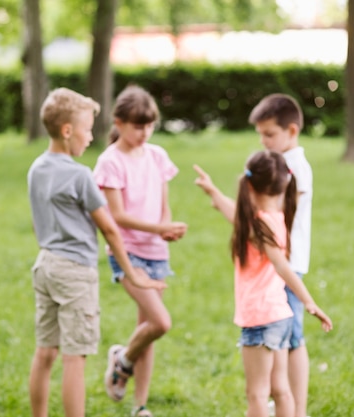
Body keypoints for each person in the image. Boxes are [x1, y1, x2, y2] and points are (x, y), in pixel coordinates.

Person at [27, 87, 166, 417]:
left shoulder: (37, 168)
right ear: (67, 131)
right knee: (75, 357)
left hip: (45, 264)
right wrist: (133, 274)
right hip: (75, 272)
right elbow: (110, 228)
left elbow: (37, 221)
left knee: (45, 352)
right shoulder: (80, 175)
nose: (91, 137)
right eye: (88, 129)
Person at [194, 93, 314, 417]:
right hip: (280, 275)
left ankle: (298, 410)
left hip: (282, 277)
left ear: (292, 130)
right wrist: (215, 194)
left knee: (291, 347)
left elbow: (259, 230)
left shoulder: (292, 169)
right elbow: (250, 222)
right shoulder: (281, 173)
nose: (264, 141)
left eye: (269, 134)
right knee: (285, 355)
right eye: (260, 134)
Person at [93, 85, 188, 417]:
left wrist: (166, 229)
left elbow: (163, 205)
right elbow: (116, 215)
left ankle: (140, 406)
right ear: (118, 122)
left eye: (149, 126)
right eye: (137, 126)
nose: (144, 132)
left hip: (156, 252)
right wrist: (159, 229)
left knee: (147, 329)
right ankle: (121, 358)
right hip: (127, 253)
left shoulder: (157, 155)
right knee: (160, 323)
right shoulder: (110, 161)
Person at [228, 150, 332, 417]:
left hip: (259, 318)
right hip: (281, 315)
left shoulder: (257, 225)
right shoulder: (279, 219)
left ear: (249, 184)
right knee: (281, 390)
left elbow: (282, 266)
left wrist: (309, 302)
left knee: (257, 394)